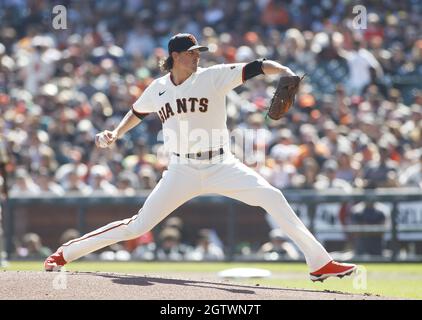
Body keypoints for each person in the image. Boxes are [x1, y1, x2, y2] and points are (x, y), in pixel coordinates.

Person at [44, 33, 356, 282]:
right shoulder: (158, 88)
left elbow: (259, 66)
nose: (197, 56)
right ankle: (65, 253)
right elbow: (137, 112)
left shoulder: (214, 76)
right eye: (192, 52)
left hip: (222, 164)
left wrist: (285, 72)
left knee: (273, 197)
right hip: (182, 169)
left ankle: (319, 262)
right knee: (138, 226)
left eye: (198, 53)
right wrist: (115, 133)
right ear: (175, 56)